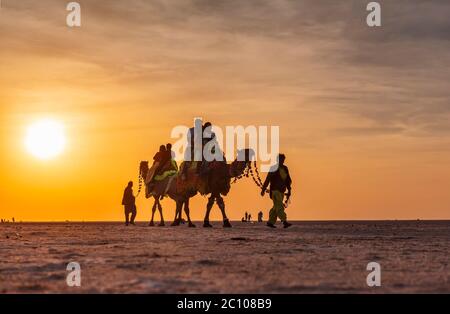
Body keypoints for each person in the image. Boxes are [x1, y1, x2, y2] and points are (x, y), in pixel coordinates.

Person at [261, 154, 292, 228]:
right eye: (281, 160)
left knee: (276, 207)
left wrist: (289, 190)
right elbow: (267, 179)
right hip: (275, 191)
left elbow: (288, 180)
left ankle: (270, 222)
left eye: (283, 160)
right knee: (279, 206)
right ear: (277, 160)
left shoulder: (285, 168)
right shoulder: (273, 168)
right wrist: (263, 189)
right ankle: (284, 221)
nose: (282, 161)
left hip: (282, 191)